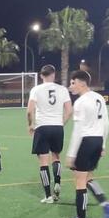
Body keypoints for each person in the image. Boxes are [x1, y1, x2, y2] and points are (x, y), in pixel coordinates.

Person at [63, 70, 109, 218]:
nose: (70, 86)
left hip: (86, 141)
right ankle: (106, 204)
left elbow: (78, 130)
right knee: (88, 177)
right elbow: (106, 123)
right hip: (97, 140)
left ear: (82, 83)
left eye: (73, 83)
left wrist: (71, 154)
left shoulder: (80, 102)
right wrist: (103, 145)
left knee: (79, 181)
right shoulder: (99, 98)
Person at [26, 64, 72, 203]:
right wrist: (61, 123)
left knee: (43, 163)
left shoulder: (36, 90)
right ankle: (57, 182)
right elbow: (69, 111)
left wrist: (30, 125)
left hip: (42, 127)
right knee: (56, 157)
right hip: (57, 127)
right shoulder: (62, 89)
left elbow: (29, 110)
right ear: (54, 75)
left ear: (41, 76)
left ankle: (48, 195)